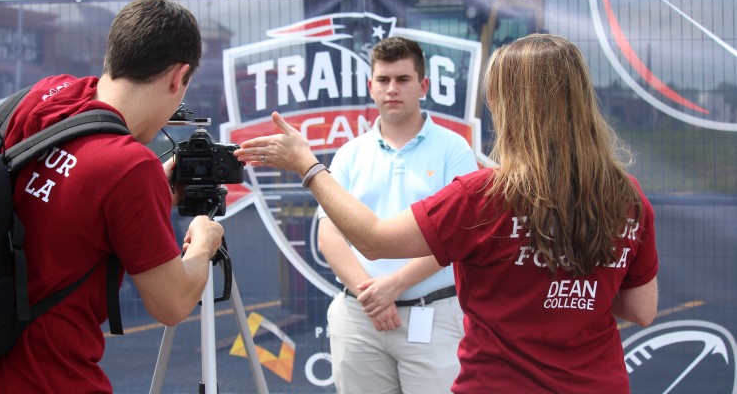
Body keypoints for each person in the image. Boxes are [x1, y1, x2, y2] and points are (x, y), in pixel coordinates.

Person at [235, 33, 659, 393]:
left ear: (507, 104)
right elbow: (641, 309)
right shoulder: (628, 197)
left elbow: (375, 240)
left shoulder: (487, 195)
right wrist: (575, 290)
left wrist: (308, 167)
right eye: (383, 79)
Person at [0, 0, 224, 393]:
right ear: (178, 77)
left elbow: (65, 197)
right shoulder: (130, 168)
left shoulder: (46, 95)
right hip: (50, 379)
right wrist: (203, 245)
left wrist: (148, 194)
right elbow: (171, 304)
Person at [316, 36, 476, 393]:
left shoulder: (455, 150)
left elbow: (460, 236)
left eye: (403, 80)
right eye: (383, 80)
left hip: (431, 316)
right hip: (359, 317)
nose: (392, 89)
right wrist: (371, 295)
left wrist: (395, 285)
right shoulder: (348, 155)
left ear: (423, 86)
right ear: (370, 86)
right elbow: (328, 235)